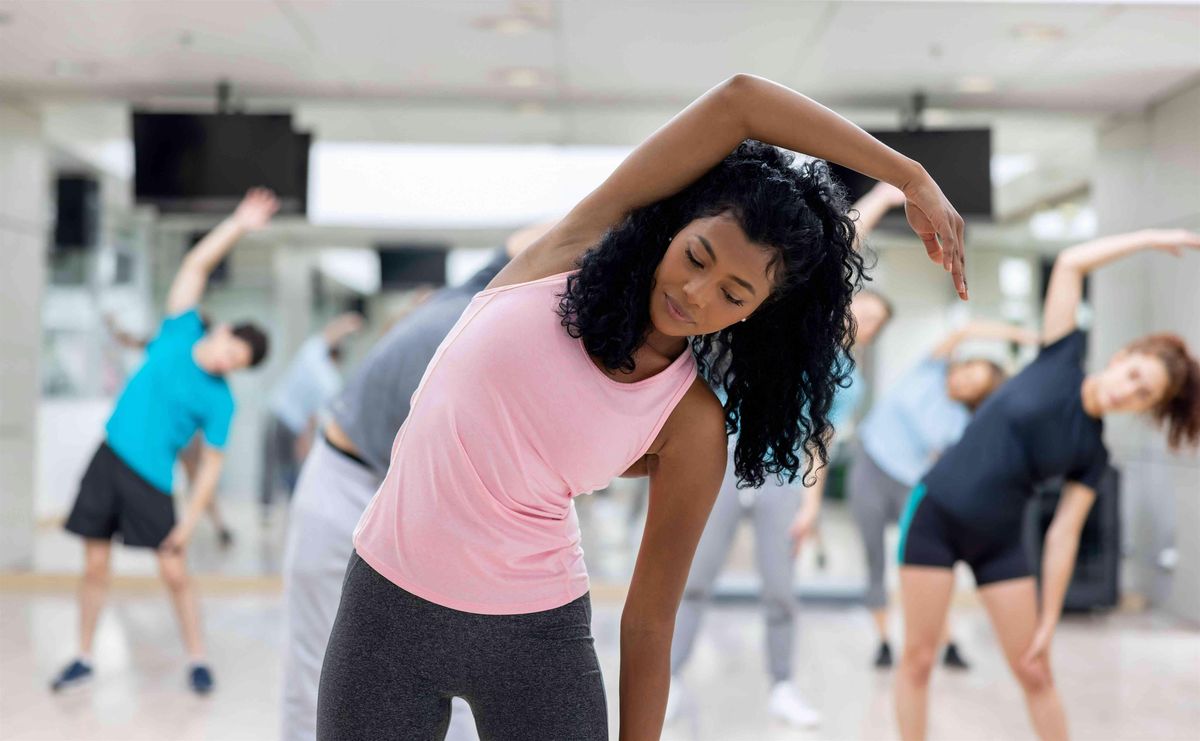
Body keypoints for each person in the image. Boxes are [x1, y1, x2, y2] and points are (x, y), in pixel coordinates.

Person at [318, 73, 968, 741]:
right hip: (386, 612)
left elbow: (652, 619)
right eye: (697, 255)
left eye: (734, 292)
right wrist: (908, 173)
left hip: (535, 636)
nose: (697, 291)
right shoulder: (566, 252)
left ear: (754, 316)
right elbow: (740, 100)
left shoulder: (692, 424)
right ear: (674, 226)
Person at [894, 229, 1200, 741]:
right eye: (1134, 376)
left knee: (1036, 671)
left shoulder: (1093, 455)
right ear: (1122, 357)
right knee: (920, 659)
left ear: (1148, 408)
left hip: (999, 542)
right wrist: (1151, 238)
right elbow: (1072, 264)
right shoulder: (1061, 354)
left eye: (1144, 394)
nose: (1129, 392)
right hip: (936, 515)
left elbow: (1062, 536)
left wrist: (1048, 620)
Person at [280, 224, 547, 741]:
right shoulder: (483, 295)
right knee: (314, 676)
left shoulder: (518, 330)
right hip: (344, 481)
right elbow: (538, 238)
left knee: (454, 673)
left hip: (411, 498)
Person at [664, 183, 900, 729]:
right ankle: (670, 677)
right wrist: (884, 199)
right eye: (859, 307)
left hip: (781, 476)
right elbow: (836, 251)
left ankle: (783, 685)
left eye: (874, 322)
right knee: (693, 580)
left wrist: (812, 507)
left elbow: (819, 440)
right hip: (717, 463)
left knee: (780, 590)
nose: (861, 320)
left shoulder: (846, 381)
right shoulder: (792, 327)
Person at [50, 189, 277, 696]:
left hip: (153, 479)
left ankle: (197, 659)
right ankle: (83, 655)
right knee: (93, 564)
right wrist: (238, 224)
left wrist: (192, 521)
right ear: (220, 332)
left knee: (174, 572)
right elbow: (197, 263)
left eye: (237, 363)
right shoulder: (180, 328)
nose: (226, 362)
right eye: (230, 350)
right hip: (108, 457)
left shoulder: (221, 401)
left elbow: (212, 466)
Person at [853, 320, 1038, 670]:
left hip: (910, 484)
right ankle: (882, 642)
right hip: (870, 467)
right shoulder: (929, 371)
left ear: (978, 397)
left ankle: (947, 641)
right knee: (874, 558)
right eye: (966, 370)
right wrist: (1019, 336)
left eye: (972, 383)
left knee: (920, 562)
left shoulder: (961, 424)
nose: (962, 379)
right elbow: (965, 331)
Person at [103, 313, 236, 548]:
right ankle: (217, 525)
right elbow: (137, 342)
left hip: (188, 437)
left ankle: (217, 524)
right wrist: (115, 328)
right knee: (195, 479)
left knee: (198, 478)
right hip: (172, 439)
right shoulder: (178, 347)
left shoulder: (209, 363)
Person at [261, 312, 364, 523]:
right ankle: (293, 507)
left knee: (271, 465)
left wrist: (345, 324)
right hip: (294, 424)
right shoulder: (330, 381)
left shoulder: (311, 355)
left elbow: (326, 335)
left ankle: (267, 511)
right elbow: (316, 417)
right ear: (337, 360)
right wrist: (306, 441)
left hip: (278, 413)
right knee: (290, 467)